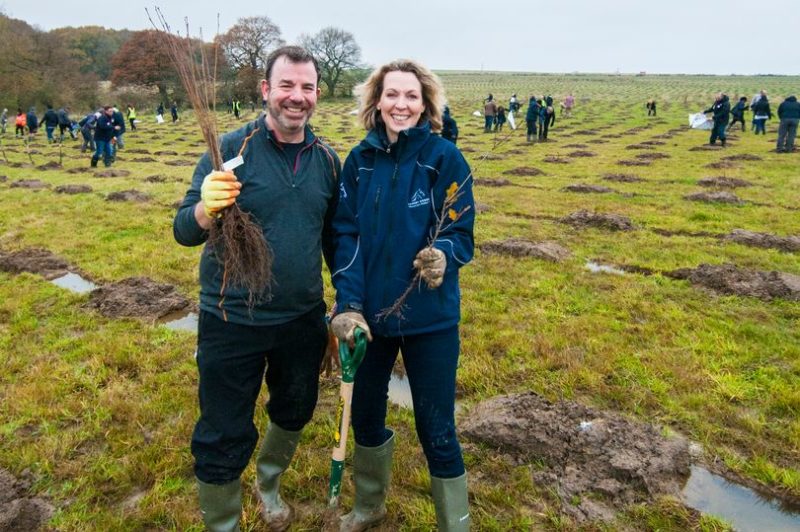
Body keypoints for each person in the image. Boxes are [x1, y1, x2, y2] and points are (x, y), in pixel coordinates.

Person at [172, 45, 340, 531]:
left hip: (301, 319)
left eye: (307, 87)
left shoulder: (328, 161)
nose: (297, 97)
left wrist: (346, 305)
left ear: (315, 95)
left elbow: (335, 241)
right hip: (232, 319)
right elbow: (184, 230)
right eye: (286, 85)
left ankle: (269, 484)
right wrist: (206, 208)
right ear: (266, 90)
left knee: (295, 408)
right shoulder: (229, 151)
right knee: (223, 430)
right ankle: (223, 521)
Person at [330, 58, 474, 532]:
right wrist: (348, 306)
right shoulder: (359, 161)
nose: (401, 104)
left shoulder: (445, 159)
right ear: (377, 101)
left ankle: (454, 523)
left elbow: (461, 231)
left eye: (412, 96)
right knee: (366, 417)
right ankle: (369, 506)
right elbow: (345, 236)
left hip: (430, 319)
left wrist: (443, 255)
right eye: (392, 94)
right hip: (372, 316)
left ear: (426, 103)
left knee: (436, 428)